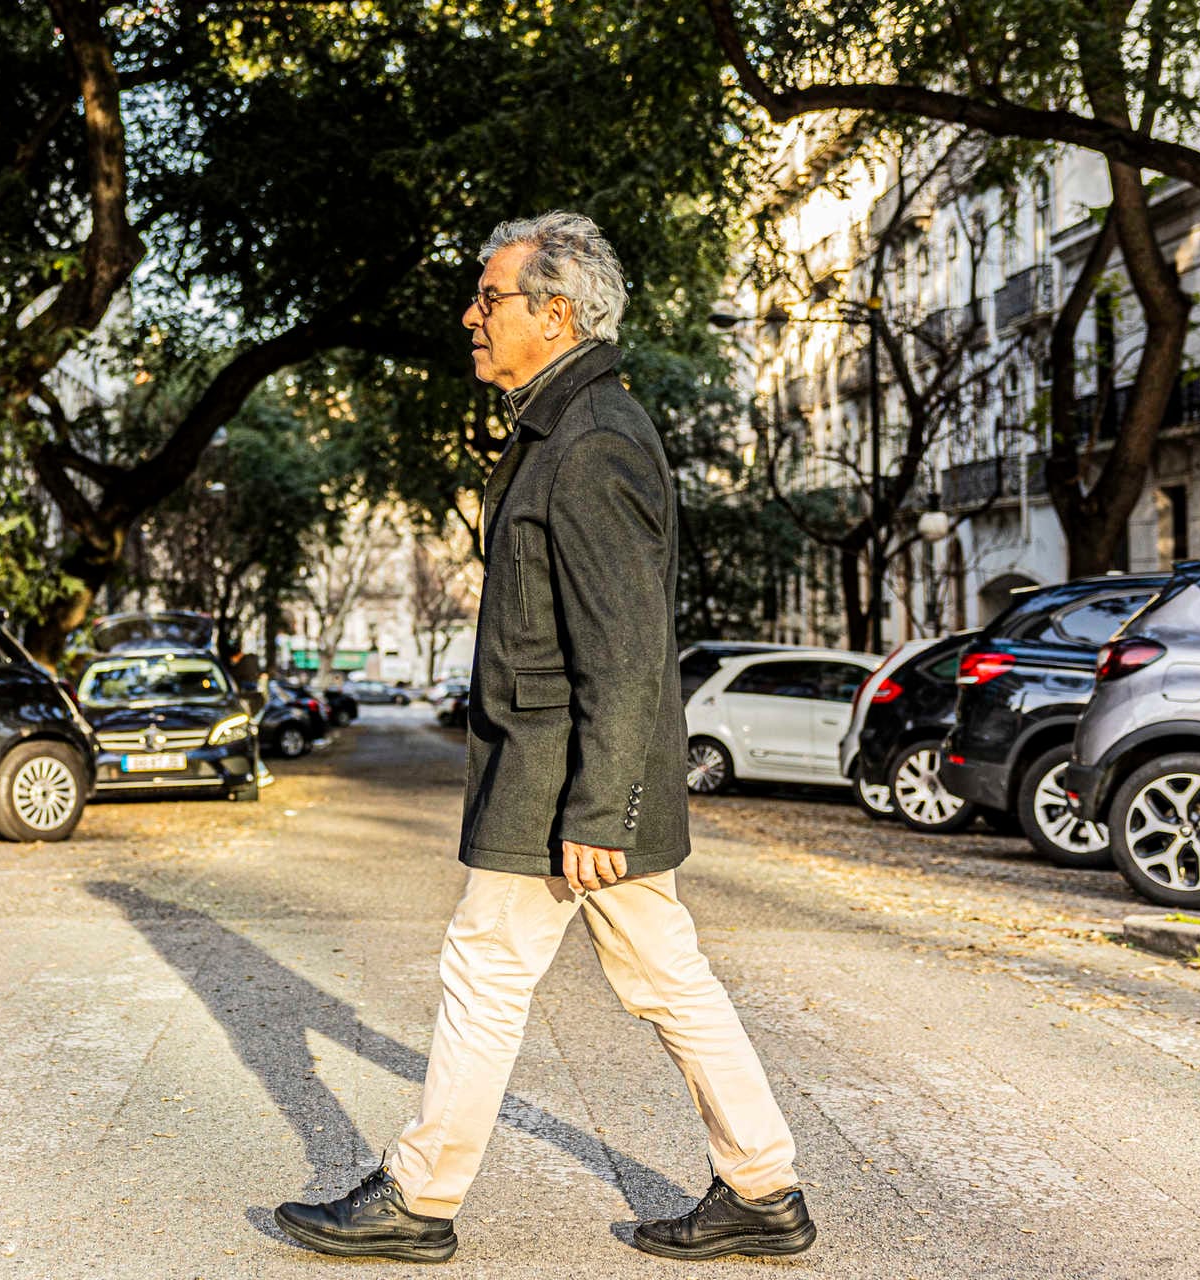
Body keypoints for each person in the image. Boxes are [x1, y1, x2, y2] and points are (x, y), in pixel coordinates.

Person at [273, 213, 814, 1264]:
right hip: (567, 772)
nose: (471, 316)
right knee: (667, 976)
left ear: (554, 312)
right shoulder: (563, 426)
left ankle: (422, 1195)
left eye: (490, 298)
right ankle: (761, 1185)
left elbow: (624, 644)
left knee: (486, 966)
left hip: (563, 776)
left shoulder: (592, 437)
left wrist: (601, 807)